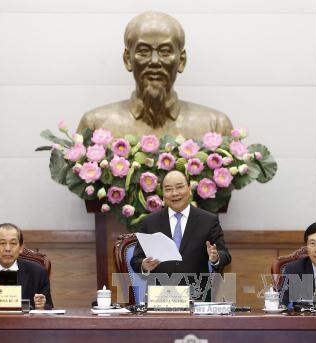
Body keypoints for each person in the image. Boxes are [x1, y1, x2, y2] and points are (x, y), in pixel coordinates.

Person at [77, 11, 233, 140]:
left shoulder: (215, 126)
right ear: (127, 59)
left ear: (181, 60)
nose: (154, 61)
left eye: (165, 51)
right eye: (143, 51)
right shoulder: (95, 125)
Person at [130, 170, 231, 301]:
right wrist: (144, 265)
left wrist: (215, 257)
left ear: (189, 189)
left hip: (197, 297)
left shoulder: (208, 220)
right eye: (168, 189)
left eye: (179, 187)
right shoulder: (150, 222)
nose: (175, 193)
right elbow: (136, 260)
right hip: (160, 299)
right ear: (163, 195)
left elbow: (225, 256)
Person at [0, 223, 53, 309]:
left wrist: (41, 306)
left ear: (21, 247)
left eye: (13, 243)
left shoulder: (38, 272)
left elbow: (48, 307)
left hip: (25, 322)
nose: (7, 248)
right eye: (2, 243)